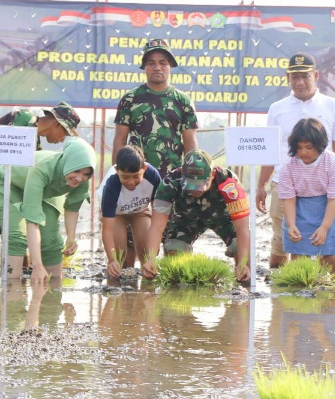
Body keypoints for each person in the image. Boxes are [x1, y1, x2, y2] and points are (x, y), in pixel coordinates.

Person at [256, 52, 335, 268]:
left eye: (305, 76)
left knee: (323, 240)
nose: (300, 82)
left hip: (323, 188)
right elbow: (270, 150)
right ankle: (278, 291)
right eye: (295, 77)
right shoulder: (276, 109)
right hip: (284, 183)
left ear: (316, 75)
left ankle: (319, 290)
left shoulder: (334, 106)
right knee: (282, 240)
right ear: (287, 78)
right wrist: (262, 184)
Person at [0, 102, 81, 271]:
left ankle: (16, 285)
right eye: (65, 132)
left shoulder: (35, 143)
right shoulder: (23, 119)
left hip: (2, 184)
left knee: (16, 236)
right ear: (56, 122)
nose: (63, 139)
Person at [0, 136, 96, 283]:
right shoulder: (42, 169)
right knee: (16, 237)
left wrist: (71, 238)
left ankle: (52, 298)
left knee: (50, 241)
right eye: (76, 171)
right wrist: (37, 265)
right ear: (68, 163)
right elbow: (33, 221)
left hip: (47, 191)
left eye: (86, 174)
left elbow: (72, 209)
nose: (79, 178)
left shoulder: (82, 182)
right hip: (10, 183)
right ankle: (12, 294)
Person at [141, 149, 251, 283]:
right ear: (182, 173)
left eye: (200, 185)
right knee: (174, 254)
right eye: (191, 185)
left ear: (212, 174)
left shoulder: (228, 182)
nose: (195, 190)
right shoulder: (169, 183)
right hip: (186, 219)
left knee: (244, 254)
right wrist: (151, 259)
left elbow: (242, 228)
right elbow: (157, 226)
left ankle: (241, 284)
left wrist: (243, 262)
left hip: (224, 219)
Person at [113, 38, 198, 177]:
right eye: (151, 63)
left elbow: (190, 143)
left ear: (170, 66)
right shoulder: (130, 99)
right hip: (136, 177)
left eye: (163, 63)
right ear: (144, 67)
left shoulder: (183, 101)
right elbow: (120, 139)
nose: (157, 67)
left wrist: (191, 175)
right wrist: (118, 175)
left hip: (172, 179)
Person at [278, 118, 335, 282]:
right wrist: (291, 224)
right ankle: (297, 304)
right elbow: (288, 200)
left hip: (328, 209)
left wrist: (324, 227)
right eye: (299, 148)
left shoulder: (332, 163)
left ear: (320, 145)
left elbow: (334, 200)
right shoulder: (288, 167)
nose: (303, 152)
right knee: (299, 266)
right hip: (299, 211)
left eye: (309, 147)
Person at [98, 145, 161, 278]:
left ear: (144, 169)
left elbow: (158, 220)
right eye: (125, 177)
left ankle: (147, 279)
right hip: (116, 214)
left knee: (146, 252)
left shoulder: (153, 176)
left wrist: (152, 257)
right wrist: (112, 260)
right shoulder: (111, 184)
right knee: (120, 256)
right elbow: (107, 230)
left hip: (140, 211)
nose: (131, 182)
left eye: (136, 176)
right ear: (116, 170)